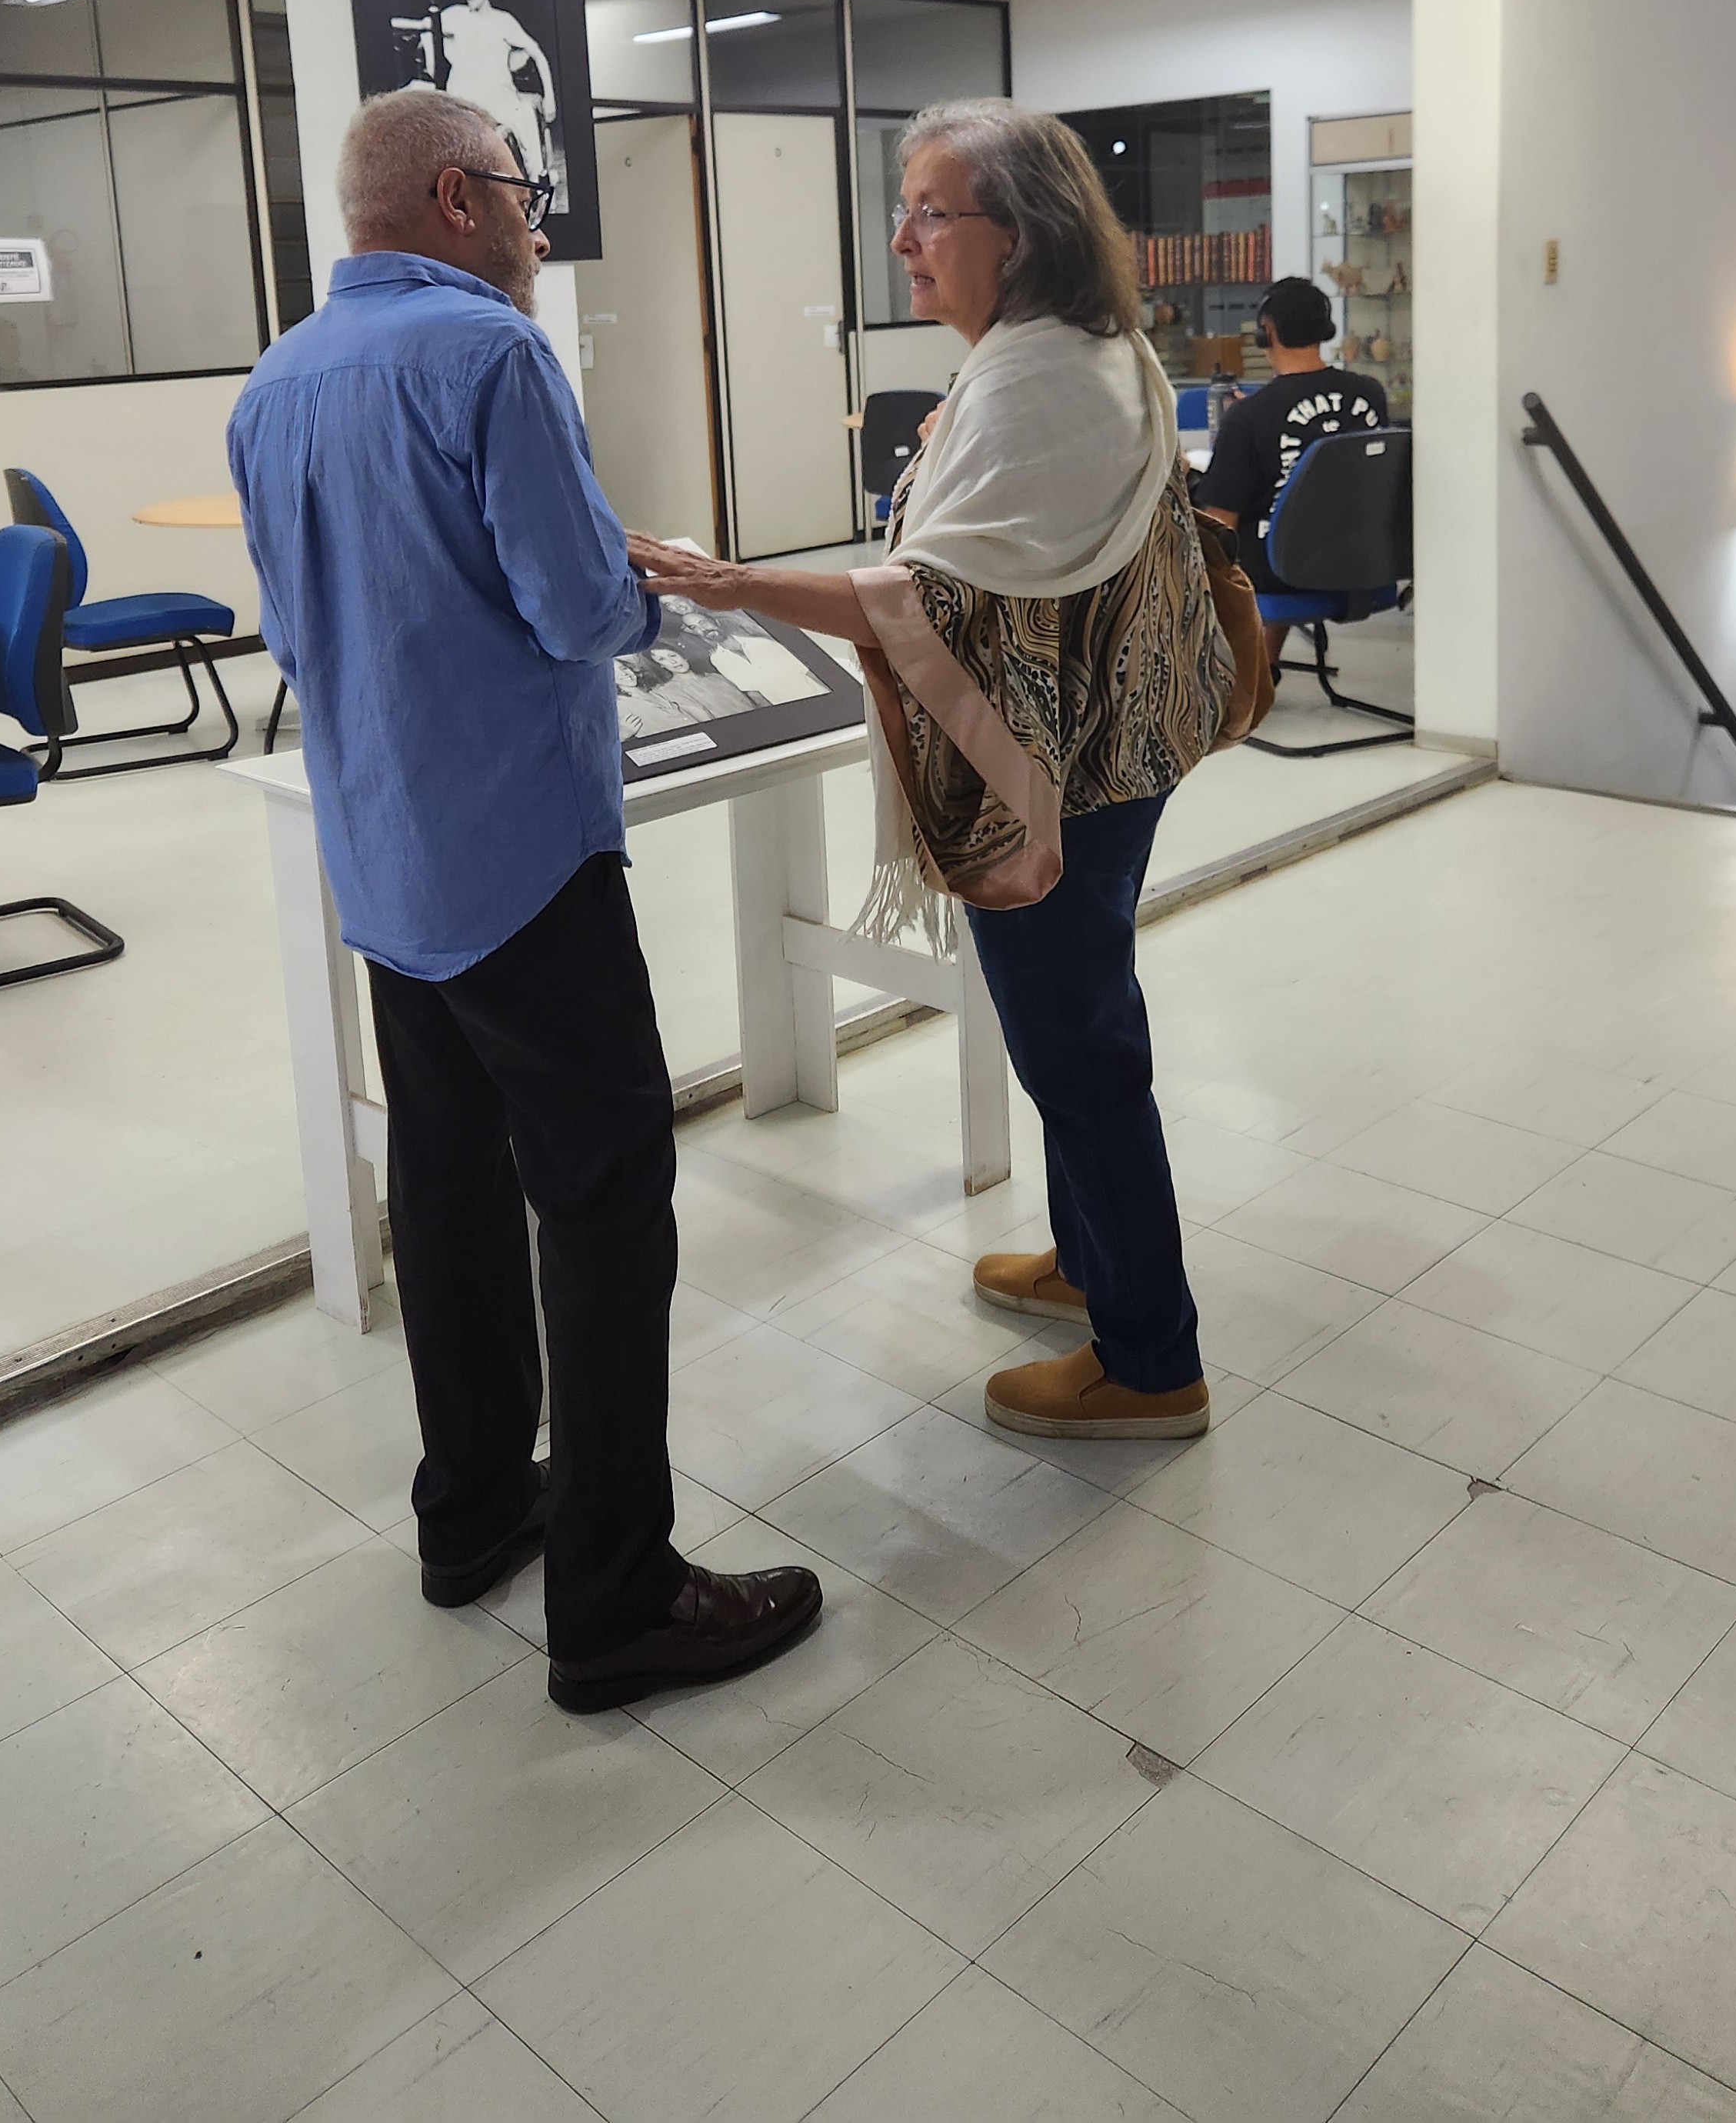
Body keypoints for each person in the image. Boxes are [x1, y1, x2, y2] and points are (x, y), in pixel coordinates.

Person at [228, 85, 818, 1711]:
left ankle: (475, 1503)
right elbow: (572, 610)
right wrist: (647, 582)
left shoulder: (277, 378)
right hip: (525, 861)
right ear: (454, 197)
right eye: (522, 190)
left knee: (449, 1182)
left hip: (388, 855)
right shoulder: (491, 353)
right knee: (606, 1194)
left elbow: (293, 628)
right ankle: (619, 1595)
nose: (538, 225)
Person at [631, 101, 1231, 1441]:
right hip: (1109, 745)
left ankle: (1152, 1364)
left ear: (1018, 233)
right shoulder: (1074, 345)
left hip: (1064, 770)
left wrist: (733, 583)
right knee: (1077, 1029)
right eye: (900, 210)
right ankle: (1091, 1266)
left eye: (930, 213)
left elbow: (939, 597)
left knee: (1078, 1051)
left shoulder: (1037, 379)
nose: (902, 241)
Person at [1195, 274, 1389, 659]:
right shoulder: (1371, 393)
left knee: (1213, 527)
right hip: (1363, 564)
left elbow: (1219, 527)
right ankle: (1266, 665)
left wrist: (1238, 438)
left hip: (1283, 571)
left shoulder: (1249, 417)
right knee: (1286, 508)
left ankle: (1233, 672)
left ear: (1266, 332)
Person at [440, 0, 558, 185]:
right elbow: (425, 27)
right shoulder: (454, 15)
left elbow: (537, 53)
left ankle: (537, 184)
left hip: (497, 99)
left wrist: (550, 98)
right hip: (463, 99)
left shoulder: (503, 21)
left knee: (526, 115)